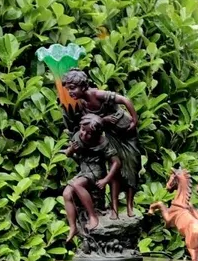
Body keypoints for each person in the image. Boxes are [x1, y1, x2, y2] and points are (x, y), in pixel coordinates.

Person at [60, 69, 140, 216]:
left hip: (126, 131)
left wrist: (134, 121)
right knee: (114, 169)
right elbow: (93, 124)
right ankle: (114, 208)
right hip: (111, 134)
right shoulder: (82, 103)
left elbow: (126, 100)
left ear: (83, 86)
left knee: (132, 167)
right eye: (68, 89)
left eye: (72, 88)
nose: (70, 92)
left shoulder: (97, 94)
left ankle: (130, 205)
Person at [62, 114, 121, 243]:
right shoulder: (78, 136)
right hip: (84, 171)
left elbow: (116, 162)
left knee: (77, 185)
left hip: (96, 172)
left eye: (89, 133)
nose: (84, 134)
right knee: (66, 193)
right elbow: (67, 153)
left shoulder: (103, 143)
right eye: (82, 130)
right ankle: (73, 227)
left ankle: (93, 216)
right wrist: (72, 149)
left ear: (96, 134)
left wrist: (106, 179)